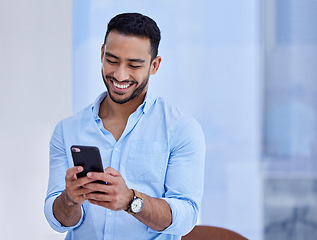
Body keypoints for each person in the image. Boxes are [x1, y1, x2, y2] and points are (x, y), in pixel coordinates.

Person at [44, 12, 205, 240]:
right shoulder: (67, 130)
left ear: (154, 65)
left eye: (134, 65)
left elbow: (186, 218)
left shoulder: (182, 130)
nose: (120, 74)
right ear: (101, 54)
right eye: (112, 60)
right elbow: (58, 222)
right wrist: (70, 199)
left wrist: (131, 201)